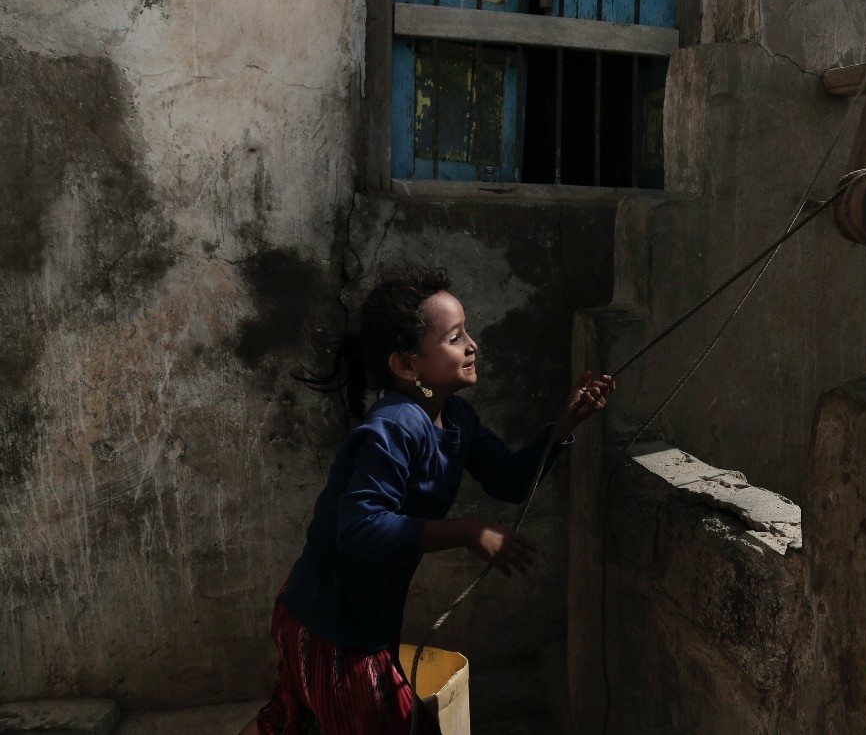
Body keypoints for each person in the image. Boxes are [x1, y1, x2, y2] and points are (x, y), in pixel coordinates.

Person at [238, 267, 615, 735]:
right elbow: (359, 528)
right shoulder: (396, 426)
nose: (472, 345)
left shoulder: (454, 416)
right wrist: (469, 531)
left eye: (466, 332)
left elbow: (510, 480)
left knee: (291, 722)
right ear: (406, 365)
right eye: (454, 338)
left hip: (353, 617)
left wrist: (565, 425)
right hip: (331, 623)